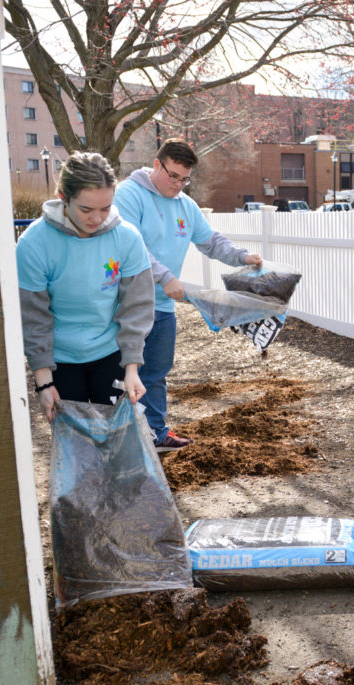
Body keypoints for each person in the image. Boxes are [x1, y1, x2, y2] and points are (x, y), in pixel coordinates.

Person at [115, 139, 263, 451]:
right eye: (174, 176)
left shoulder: (185, 204)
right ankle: (120, 440)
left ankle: (155, 434)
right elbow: (131, 246)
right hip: (126, 304)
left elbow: (210, 241)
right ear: (157, 165)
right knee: (122, 374)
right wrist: (165, 276)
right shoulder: (129, 195)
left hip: (163, 306)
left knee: (156, 373)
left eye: (185, 179)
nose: (179, 185)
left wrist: (243, 257)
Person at [17, 151, 154, 422]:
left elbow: (135, 307)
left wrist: (132, 367)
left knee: (119, 442)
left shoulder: (127, 238)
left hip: (110, 352)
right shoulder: (34, 243)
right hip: (60, 361)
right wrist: (44, 383)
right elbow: (33, 318)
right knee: (75, 449)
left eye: (105, 208)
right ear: (63, 197)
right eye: (86, 209)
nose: (97, 218)